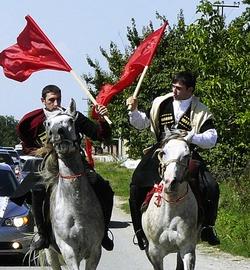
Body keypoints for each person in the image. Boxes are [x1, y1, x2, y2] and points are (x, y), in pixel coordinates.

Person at [11, 84, 115, 252]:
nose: (56, 103)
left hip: (76, 162)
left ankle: (103, 233)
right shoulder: (38, 122)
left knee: (103, 187)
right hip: (49, 164)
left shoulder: (72, 116)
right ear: (43, 101)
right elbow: (27, 146)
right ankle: (43, 234)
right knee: (38, 190)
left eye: (58, 99)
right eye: (52, 100)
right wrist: (41, 151)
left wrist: (102, 121)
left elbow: (99, 134)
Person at [126, 71, 220, 249]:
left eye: (179, 88)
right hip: (161, 151)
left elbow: (212, 138)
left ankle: (207, 227)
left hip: (186, 152)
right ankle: (139, 231)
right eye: (173, 87)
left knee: (211, 185)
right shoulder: (161, 102)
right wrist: (133, 111)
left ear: (190, 90)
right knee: (137, 180)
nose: (174, 91)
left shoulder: (200, 110)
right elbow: (142, 123)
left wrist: (193, 137)